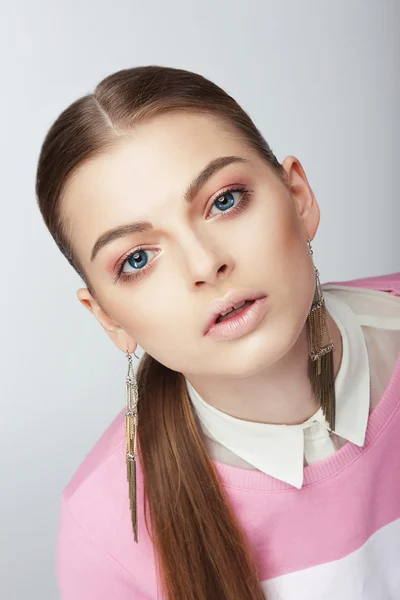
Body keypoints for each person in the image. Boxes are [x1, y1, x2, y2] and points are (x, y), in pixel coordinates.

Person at [35, 65, 400, 600]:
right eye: (137, 258)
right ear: (108, 317)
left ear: (297, 196)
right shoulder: (106, 528)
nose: (205, 264)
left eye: (223, 201)